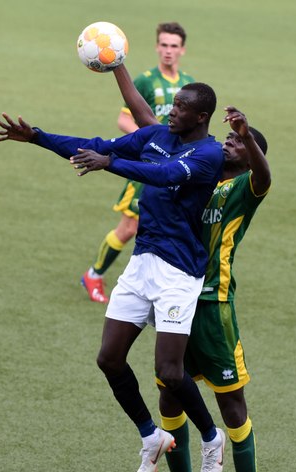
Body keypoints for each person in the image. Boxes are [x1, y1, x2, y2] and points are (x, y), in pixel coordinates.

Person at [0, 73, 226, 472]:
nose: (172, 111)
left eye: (181, 108)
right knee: (109, 359)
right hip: (141, 265)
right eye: (172, 106)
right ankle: (151, 436)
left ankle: (212, 438)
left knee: (170, 372)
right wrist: (37, 137)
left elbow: (166, 174)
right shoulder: (155, 135)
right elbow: (95, 147)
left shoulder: (208, 154)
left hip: (178, 274)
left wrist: (113, 165)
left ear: (201, 116)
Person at [115, 68, 271, 472]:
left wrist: (252, 141)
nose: (229, 144)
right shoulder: (197, 165)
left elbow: (266, 175)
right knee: (169, 399)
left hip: (213, 311)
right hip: (172, 299)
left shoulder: (246, 187)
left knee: (232, 409)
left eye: (238, 143)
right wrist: (119, 67)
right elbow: (152, 122)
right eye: (227, 137)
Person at [81, 22, 195, 304]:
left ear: (182, 50)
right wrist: (153, 142)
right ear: (158, 47)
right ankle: (94, 274)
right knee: (129, 228)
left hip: (172, 170)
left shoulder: (188, 85)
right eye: (164, 45)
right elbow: (123, 119)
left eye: (174, 46)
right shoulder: (145, 81)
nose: (168, 51)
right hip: (148, 165)